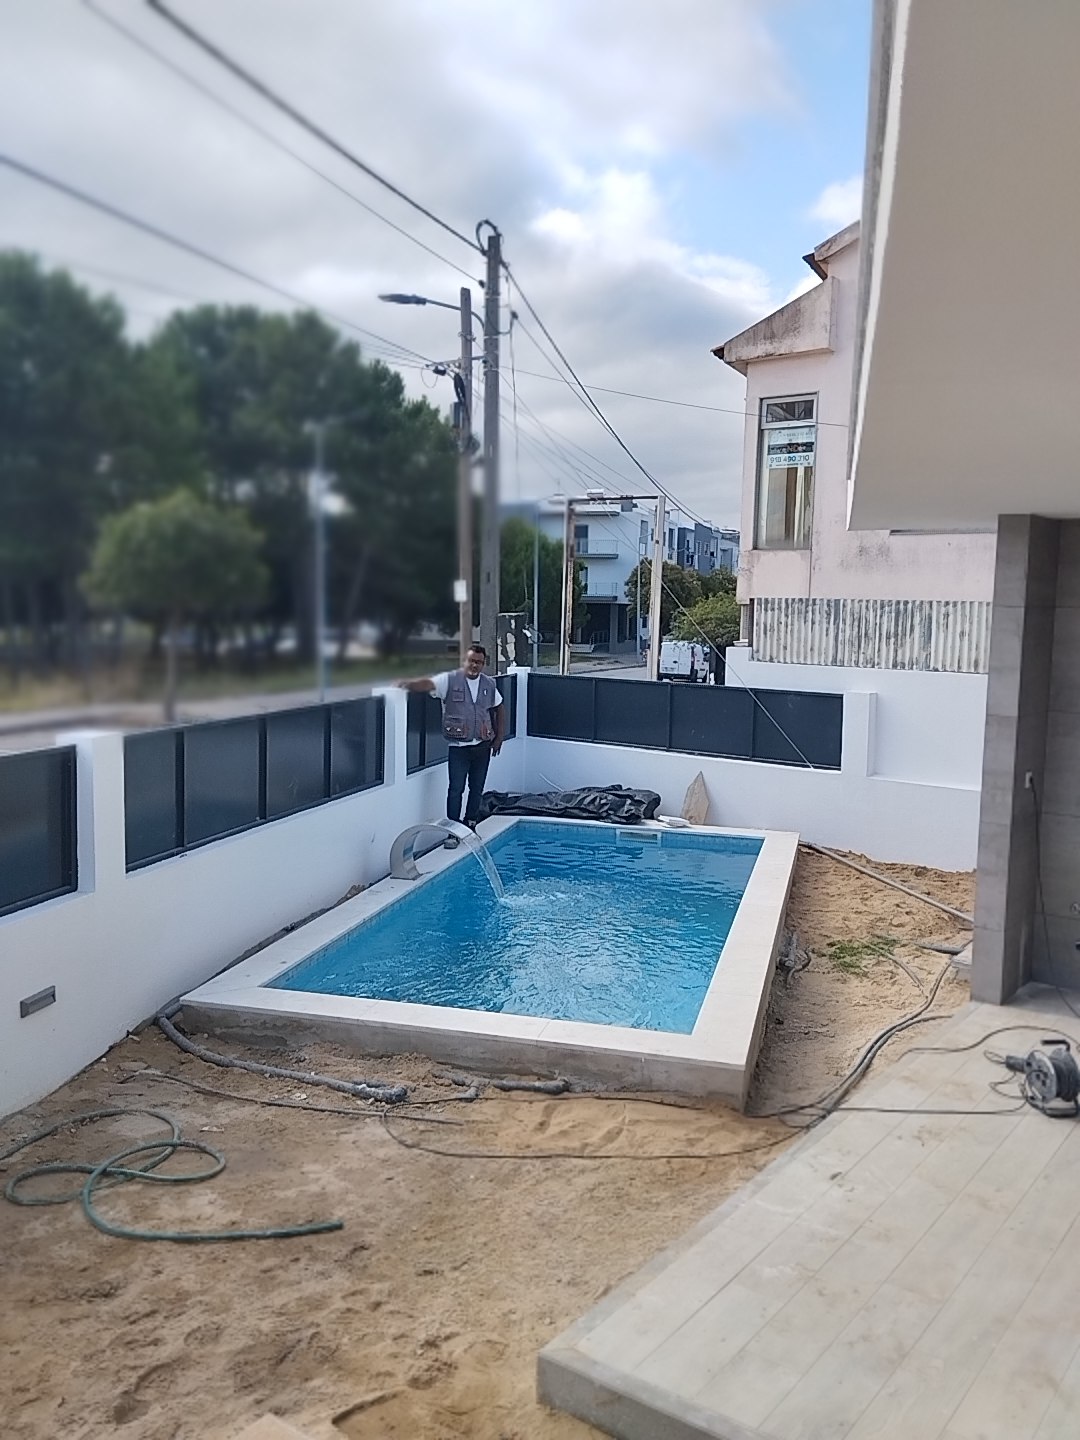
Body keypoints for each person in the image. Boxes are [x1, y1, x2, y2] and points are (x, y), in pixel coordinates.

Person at [397, 645, 505, 844]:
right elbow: (427, 684)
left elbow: (499, 707)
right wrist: (404, 682)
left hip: (482, 746)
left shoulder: (488, 684)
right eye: (472, 661)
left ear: (483, 664)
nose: (475, 665)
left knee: (477, 788)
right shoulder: (449, 680)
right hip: (458, 747)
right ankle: (453, 832)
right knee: (456, 789)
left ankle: (470, 824)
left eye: (479, 662)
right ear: (465, 660)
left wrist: (499, 737)